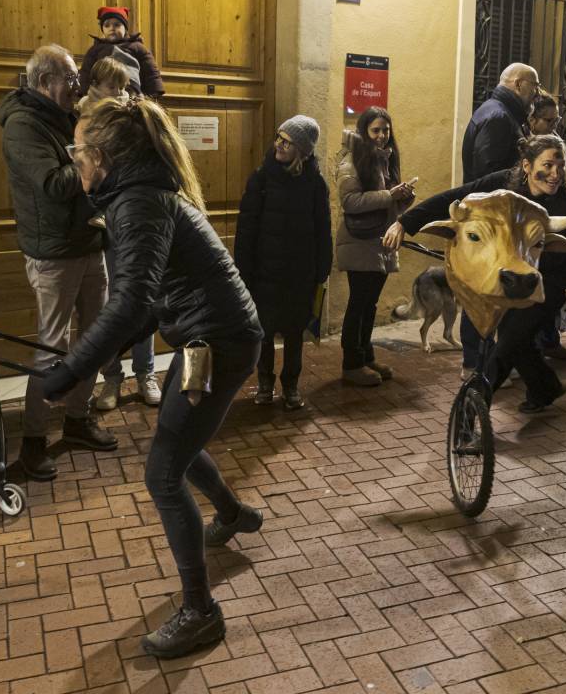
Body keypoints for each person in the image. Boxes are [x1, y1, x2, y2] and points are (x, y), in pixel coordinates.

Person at [39, 97, 263, 658]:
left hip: (219, 342)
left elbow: (130, 304)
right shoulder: (137, 194)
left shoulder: (138, 201)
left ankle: (201, 613)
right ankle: (232, 514)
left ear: (101, 156)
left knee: (163, 474)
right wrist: (80, 364)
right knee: (175, 441)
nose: (74, 162)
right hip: (208, 337)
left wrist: (72, 369)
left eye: (77, 151)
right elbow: (142, 303)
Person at [386, 135, 566, 412]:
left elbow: (565, 258)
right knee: (519, 342)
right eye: (548, 165)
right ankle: (546, 387)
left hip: (542, 283)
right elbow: (455, 197)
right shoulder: (502, 184)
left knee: (507, 344)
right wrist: (405, 223)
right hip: (504, 277)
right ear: (527, 165)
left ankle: (472, 408)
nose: (555, 174)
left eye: (560, 167)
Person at [0, 45, 117, 481]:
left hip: (88, 242)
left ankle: (78, 419)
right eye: (69, 78)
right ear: (45, 81)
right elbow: (52, 185)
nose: (77, 85)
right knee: (52, 347)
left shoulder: (65, 115)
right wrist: (95, 153)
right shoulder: (23, 125)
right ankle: (33, 440)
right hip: (54, 254)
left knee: (95, 339)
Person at [234, 115, 332, 410]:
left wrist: (322, 270)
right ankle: (265, 383)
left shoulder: (315, 184)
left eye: (287, 142)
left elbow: (322, 229)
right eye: (279, 137)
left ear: (302, 150)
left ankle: (291, 385)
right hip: (264, 272)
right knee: (263, 332)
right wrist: (243, 270)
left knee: (294, 332)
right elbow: (246, 228)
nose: (278, 144)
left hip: (299, 273)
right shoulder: (261, 178)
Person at [83, 56, 163, 410]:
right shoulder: (84, 121)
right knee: (110, 306)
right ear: (95, 87)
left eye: (123, 86)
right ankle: (112, 377)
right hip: (100, 227)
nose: (119, 92)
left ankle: (146, 373)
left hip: (133, 221)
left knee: (141, 299)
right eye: (112, 86)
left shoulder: (135, 119)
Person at [336, 107, 414, 387]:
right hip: (360, 242)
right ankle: (352, 364)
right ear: (364, 131)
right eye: (376, 130)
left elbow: (385, 204)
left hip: (379, 241)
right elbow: (350, 202)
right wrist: (389, 195)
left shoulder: (384, 159)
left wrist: (403, 199)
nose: (381, 136)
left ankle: (366, 357)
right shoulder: (351, 162)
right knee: (358, 304)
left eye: (386, 130)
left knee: (369, 304)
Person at [527, 90, 566, 362]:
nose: (554, 125)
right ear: (533, 120)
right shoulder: (528, 149)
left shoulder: (556, 143)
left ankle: (549, 340)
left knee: (552, 291)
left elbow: (565, 179)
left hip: (557, 220)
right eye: (548, 120)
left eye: (557, 120)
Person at [462, 63, 539, 182]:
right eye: (535, 86)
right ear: (518, 84)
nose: (538, 93)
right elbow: (489, 179)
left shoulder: (499, 112)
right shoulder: (499, 118)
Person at [79, 7, 165, 99]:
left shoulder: (137, 47)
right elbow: (86, 72)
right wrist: (84, 91)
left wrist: (153, 93)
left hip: (131, 90)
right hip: (103, 92)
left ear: (125, 28)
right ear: (102, 29)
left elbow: (150, 72)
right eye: (107, 25)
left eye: (117, 25)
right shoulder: (95, 50)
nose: (112, 28)